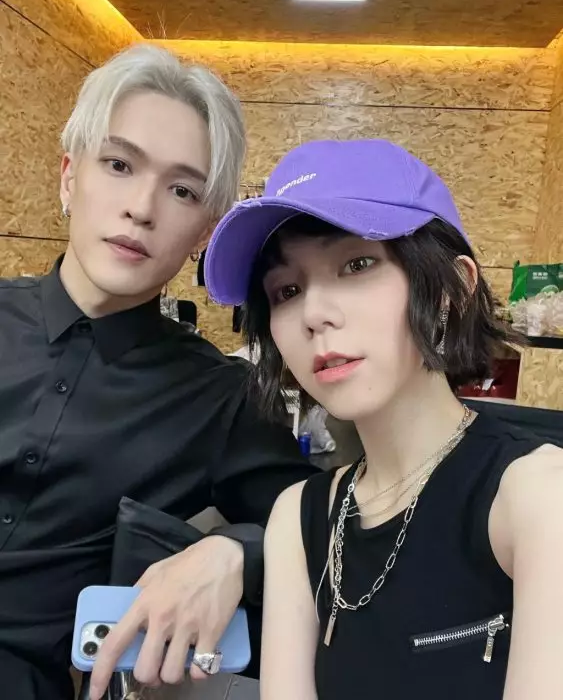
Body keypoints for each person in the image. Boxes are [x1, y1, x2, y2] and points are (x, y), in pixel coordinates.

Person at [0, 44, 318, 700]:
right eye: (118, 165)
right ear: (68, 178)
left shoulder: (222, 399)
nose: (141, 208)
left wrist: (237, 552)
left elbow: (319, 525)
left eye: (182, 190)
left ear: (203, 232)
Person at [203, 138, 563, 699]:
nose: (314, 314)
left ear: (451, 290)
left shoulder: (536, 496)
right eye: (287, 290)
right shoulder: (298, 518)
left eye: (357, 264)